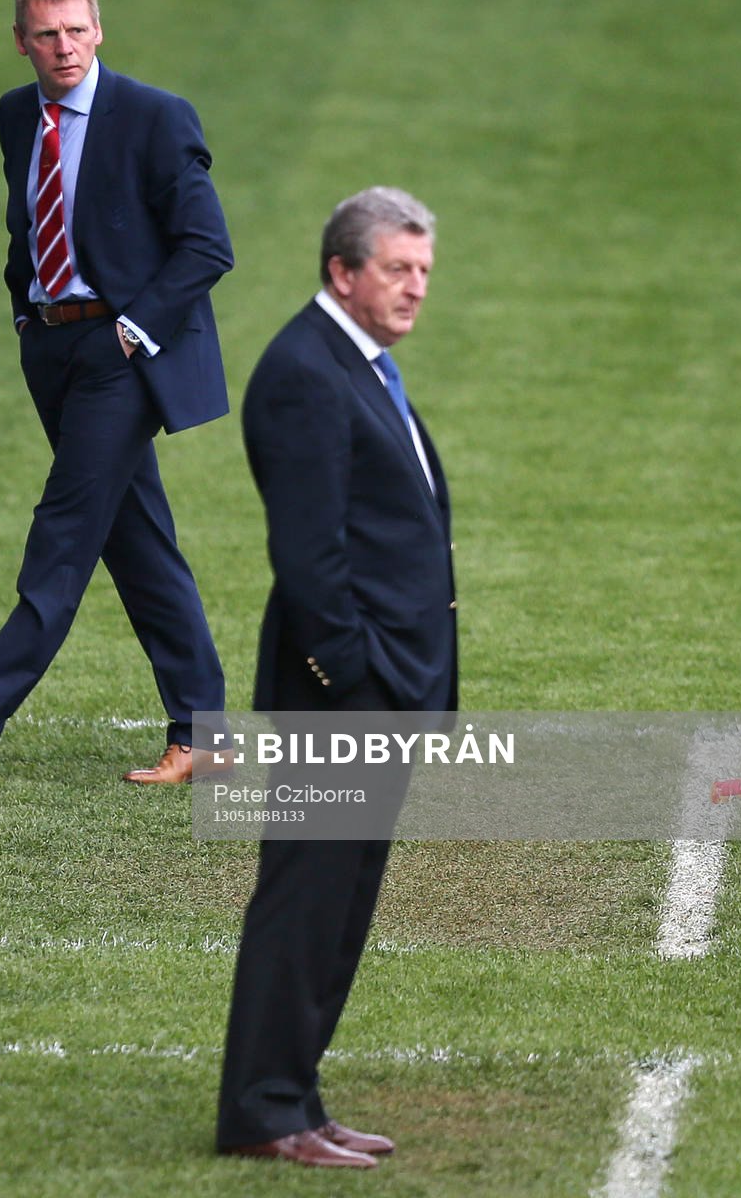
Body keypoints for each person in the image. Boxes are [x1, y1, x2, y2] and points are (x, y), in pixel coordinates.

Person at [0, 0, 233, 786]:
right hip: (52, 348)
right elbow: (28, 224)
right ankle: (204, 734)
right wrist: (24, 316)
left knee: (64, 536)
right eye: (47, 35)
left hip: (119, 356)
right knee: (138, 544)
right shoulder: (15, 114)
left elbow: (208, 246)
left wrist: (132, 334)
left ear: (98, 30)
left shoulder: (154, 117)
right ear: (21, 42)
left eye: (76, 30)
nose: (64, 47)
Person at [216, 187, 457, 1168]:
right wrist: (354, 679)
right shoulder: (304, 374)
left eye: (424, 272)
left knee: (340, 904)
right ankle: (264, 1111)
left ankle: (298, 1096)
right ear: (341, 271)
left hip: (381, 688)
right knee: (305, 900)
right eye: (397, 269)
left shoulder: (357, 365)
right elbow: (310, 561)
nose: (414, 289)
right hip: (344, 694)